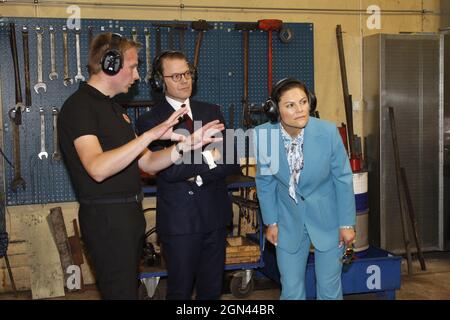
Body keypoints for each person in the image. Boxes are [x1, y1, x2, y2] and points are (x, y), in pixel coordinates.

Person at [58, 34, 224, 300]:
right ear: (110, 64)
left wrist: (187, 145)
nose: (136, 76)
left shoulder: (114, 109)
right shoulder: (80, 107)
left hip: (128, 215)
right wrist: (150, 135)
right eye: (133, 67)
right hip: (106, 217)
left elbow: (148, 162)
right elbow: (97, 168)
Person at [137, 50, 240, 300]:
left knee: (212, 290)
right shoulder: (149, 122)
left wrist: (198, 173)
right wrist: (209, 157)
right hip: (179, 223)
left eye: (187, 73)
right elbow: (169, 170)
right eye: (175, 76)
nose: (184, 80)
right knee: (179, 291)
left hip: (215, 218)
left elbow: (231, 160)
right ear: (160, 82)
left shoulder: (211, 111)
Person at [253, 77, 356, 300]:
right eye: (290, 105)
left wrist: (346, 223)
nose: (300, 110)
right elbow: (265, 181)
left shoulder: (328, 132)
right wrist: (271, 221)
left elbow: (343, 179)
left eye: (303, 102)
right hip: (288, 221)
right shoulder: (263, 136)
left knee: (329, 289)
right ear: (275, 110)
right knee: (291, 289)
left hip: (328, 219)